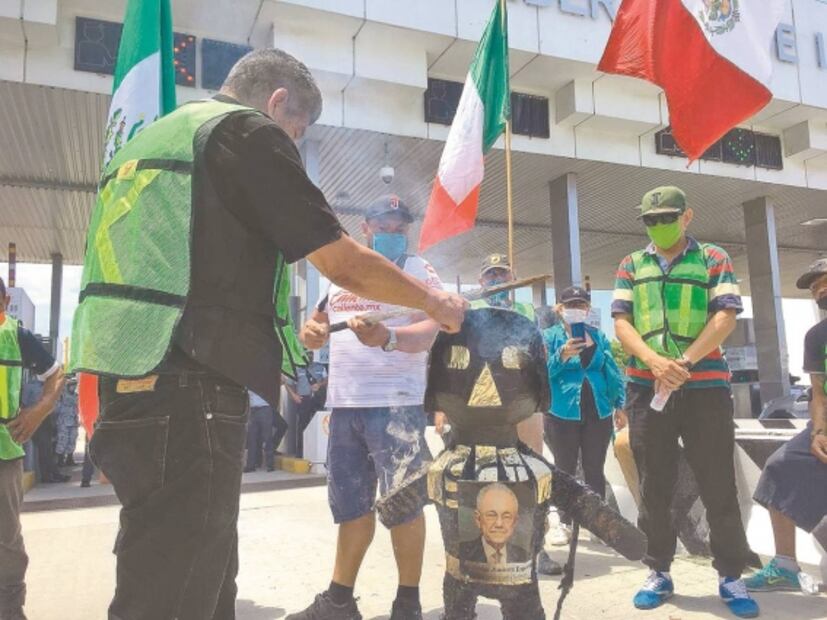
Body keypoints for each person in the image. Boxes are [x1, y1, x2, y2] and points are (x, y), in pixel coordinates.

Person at [69, 49, 466, 620]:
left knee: (178, 562)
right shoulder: (243, 132)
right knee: (178, 585)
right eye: (296, 131)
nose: (293, 142)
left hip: (125, 369)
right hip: (189, 379)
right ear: (278, 102)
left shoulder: (156, 137)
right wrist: (434, 301)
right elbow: (339, 261)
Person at [290, 195, 445, 620]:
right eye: (383, 226)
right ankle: (340, 600)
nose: (392, 234)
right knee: (351, 507)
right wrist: (311, 333)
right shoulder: (341, 274)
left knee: (404, 506)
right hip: (346, 407)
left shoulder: (419, 271)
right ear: (365, 228)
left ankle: (408, 604)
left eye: (399, 228)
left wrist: (388, 338)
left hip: (397, 407)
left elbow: (432, 329)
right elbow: (317, 324)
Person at [613, 186, 758, 618]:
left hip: (704, 388)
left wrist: (684, 362)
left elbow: (725, 315)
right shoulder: (630, 264)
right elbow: (622, 322)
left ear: (687, 216)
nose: (659, 225)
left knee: (718, 483)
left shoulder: (713, 258)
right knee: (653, 485)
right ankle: (658, 569)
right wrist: (655, 362)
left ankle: (730, 575)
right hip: (647, 388)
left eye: (667, 217)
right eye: (651, 220)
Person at [746, 258, 827, 593]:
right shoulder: (816, 336)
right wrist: (818, 432)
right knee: (779, 466)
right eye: (814, 288)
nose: (819, 291)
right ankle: (785, 566)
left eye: (824, 282)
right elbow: (818, 391)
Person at [0, 276, 65, 620]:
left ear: (5, 302)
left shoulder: (17, 337)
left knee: (5, 539)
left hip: (3, 453)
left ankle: (11, 609)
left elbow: (56, 374)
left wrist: (39, 411)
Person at [543, 285, 625, 544]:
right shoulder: (549, 336)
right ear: (560, 309)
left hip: (598, 410)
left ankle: (596, 523)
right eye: (570, 305)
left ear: (588, 309)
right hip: (562, 411)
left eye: (581, 305)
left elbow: (611, 370)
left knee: (594, 468)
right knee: (564, 468)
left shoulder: (597, 335)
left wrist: (620, 404)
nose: (576, 309)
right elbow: (541, 373)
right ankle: (563, 523)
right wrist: (562, 355)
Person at [460, 484, 528, 565]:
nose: (499, 524)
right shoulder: (459, 553)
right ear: (478, 519)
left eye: (506, 516)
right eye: (491, 515)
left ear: (515, 522)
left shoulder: (524, 557)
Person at [244, 391, 276, 473]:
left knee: (267, 437)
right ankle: (250, 465)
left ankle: (270, 464)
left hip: (264, 408)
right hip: (252, 410)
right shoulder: (249, 384)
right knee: (252, 438)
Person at [54, 378, 79, 467]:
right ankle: (60, 460)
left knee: (72, 440)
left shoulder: (76, 396)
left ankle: (70, 459)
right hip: (63, 422)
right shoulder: (61, 396)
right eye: (72, 385)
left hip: (73, 422)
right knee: (62, 441)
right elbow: (56, 409)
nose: (73, 387)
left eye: (75, 385)